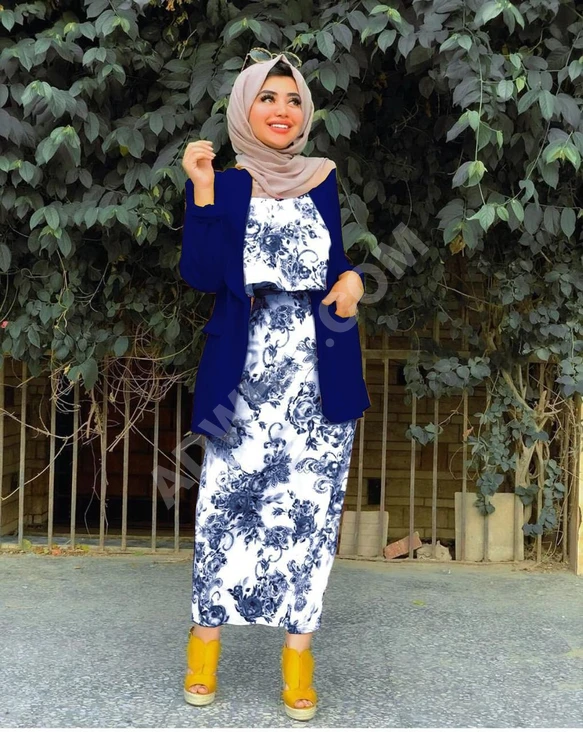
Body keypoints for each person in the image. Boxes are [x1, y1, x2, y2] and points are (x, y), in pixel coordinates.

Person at [179, 52, 370, 721]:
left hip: (318, 374)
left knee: (309, 518)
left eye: (292, 99)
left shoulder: (321, 178)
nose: (282, 110)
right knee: (223, 510)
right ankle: (204, 651)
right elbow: (202, 275)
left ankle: (298, 663)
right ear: (244, 107)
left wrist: (353, 281)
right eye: (268, 97)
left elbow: (336, 263)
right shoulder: (225, 184)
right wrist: (202, 189)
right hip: (243, 375)